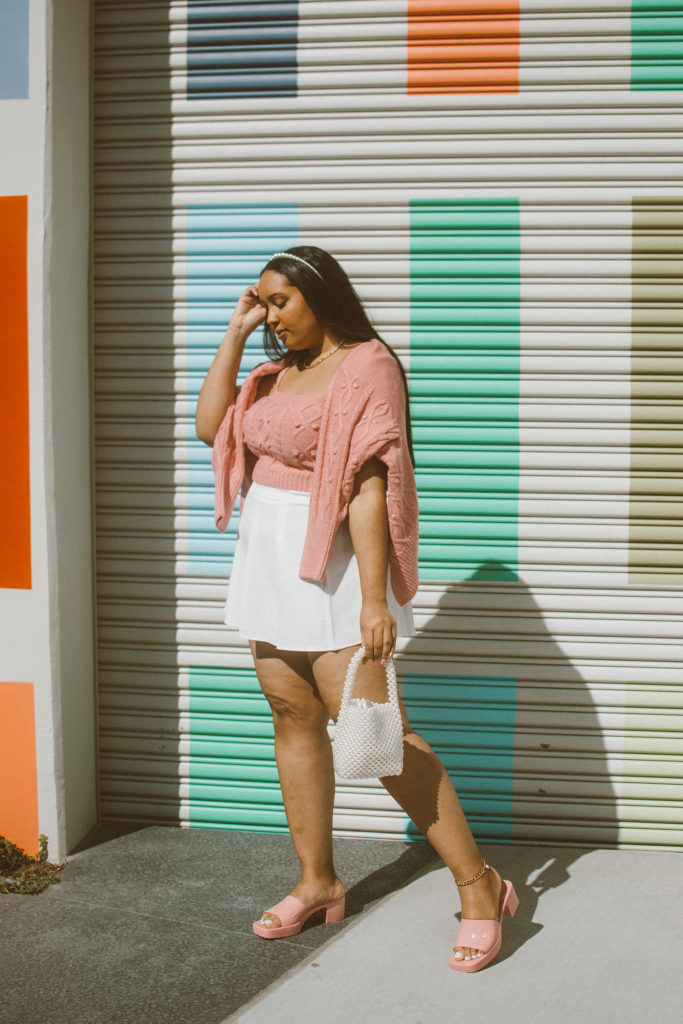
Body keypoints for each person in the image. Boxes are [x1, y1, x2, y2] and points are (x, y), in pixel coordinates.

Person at [195, 246, 518, 971]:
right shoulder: (275, 371)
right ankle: (317, 882)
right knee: (291, 714)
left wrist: (374, 600)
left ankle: (478, 885)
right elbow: (208, 427)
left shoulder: (368, 365)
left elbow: (371, 487)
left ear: (320, 295)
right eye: (263, 302)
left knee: (381, 735)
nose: (271, 315)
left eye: (280, 302)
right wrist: (237, 334)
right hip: (269, 563)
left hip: (336, 568)